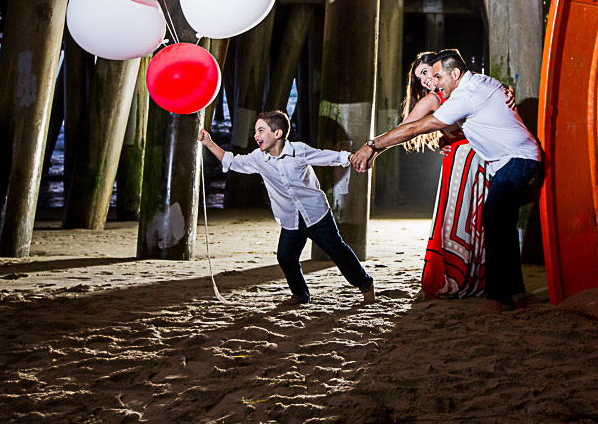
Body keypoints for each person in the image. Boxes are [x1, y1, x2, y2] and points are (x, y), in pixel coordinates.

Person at [353, 49, 541, 310]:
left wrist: (372, 145)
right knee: (501, 222)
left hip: (514, 159)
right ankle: (515, 293)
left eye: (436, 75)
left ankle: (499, 297)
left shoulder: (464, 95)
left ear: (454, 73)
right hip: (505, 160)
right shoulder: (475, 83)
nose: (434, 82)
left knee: (494, 219)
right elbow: (411, 126)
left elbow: (417, 128)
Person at [199, 111, 375, 306]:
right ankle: (301, 296)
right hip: (290, 219)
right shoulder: (258, 158)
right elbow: (232, 162)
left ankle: (366, 285)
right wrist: (208, 142)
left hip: (316, 215)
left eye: (260, 130)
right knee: (285, 257)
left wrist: (351, 158)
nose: (256, 136)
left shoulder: (298, 150)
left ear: (278, 133)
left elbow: (324, 157)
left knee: (338, 252)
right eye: (255, 131)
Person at [400, 51, 508, 299]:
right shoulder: (432, 99)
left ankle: (477, 277)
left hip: (478, 156)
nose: (426, 79)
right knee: (454, 219)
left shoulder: (460, 91)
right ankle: (454, 276)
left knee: (476, 217)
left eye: (428, 72)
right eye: (420, 77)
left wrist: (508, 91)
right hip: (459, 161)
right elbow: (408, 128)